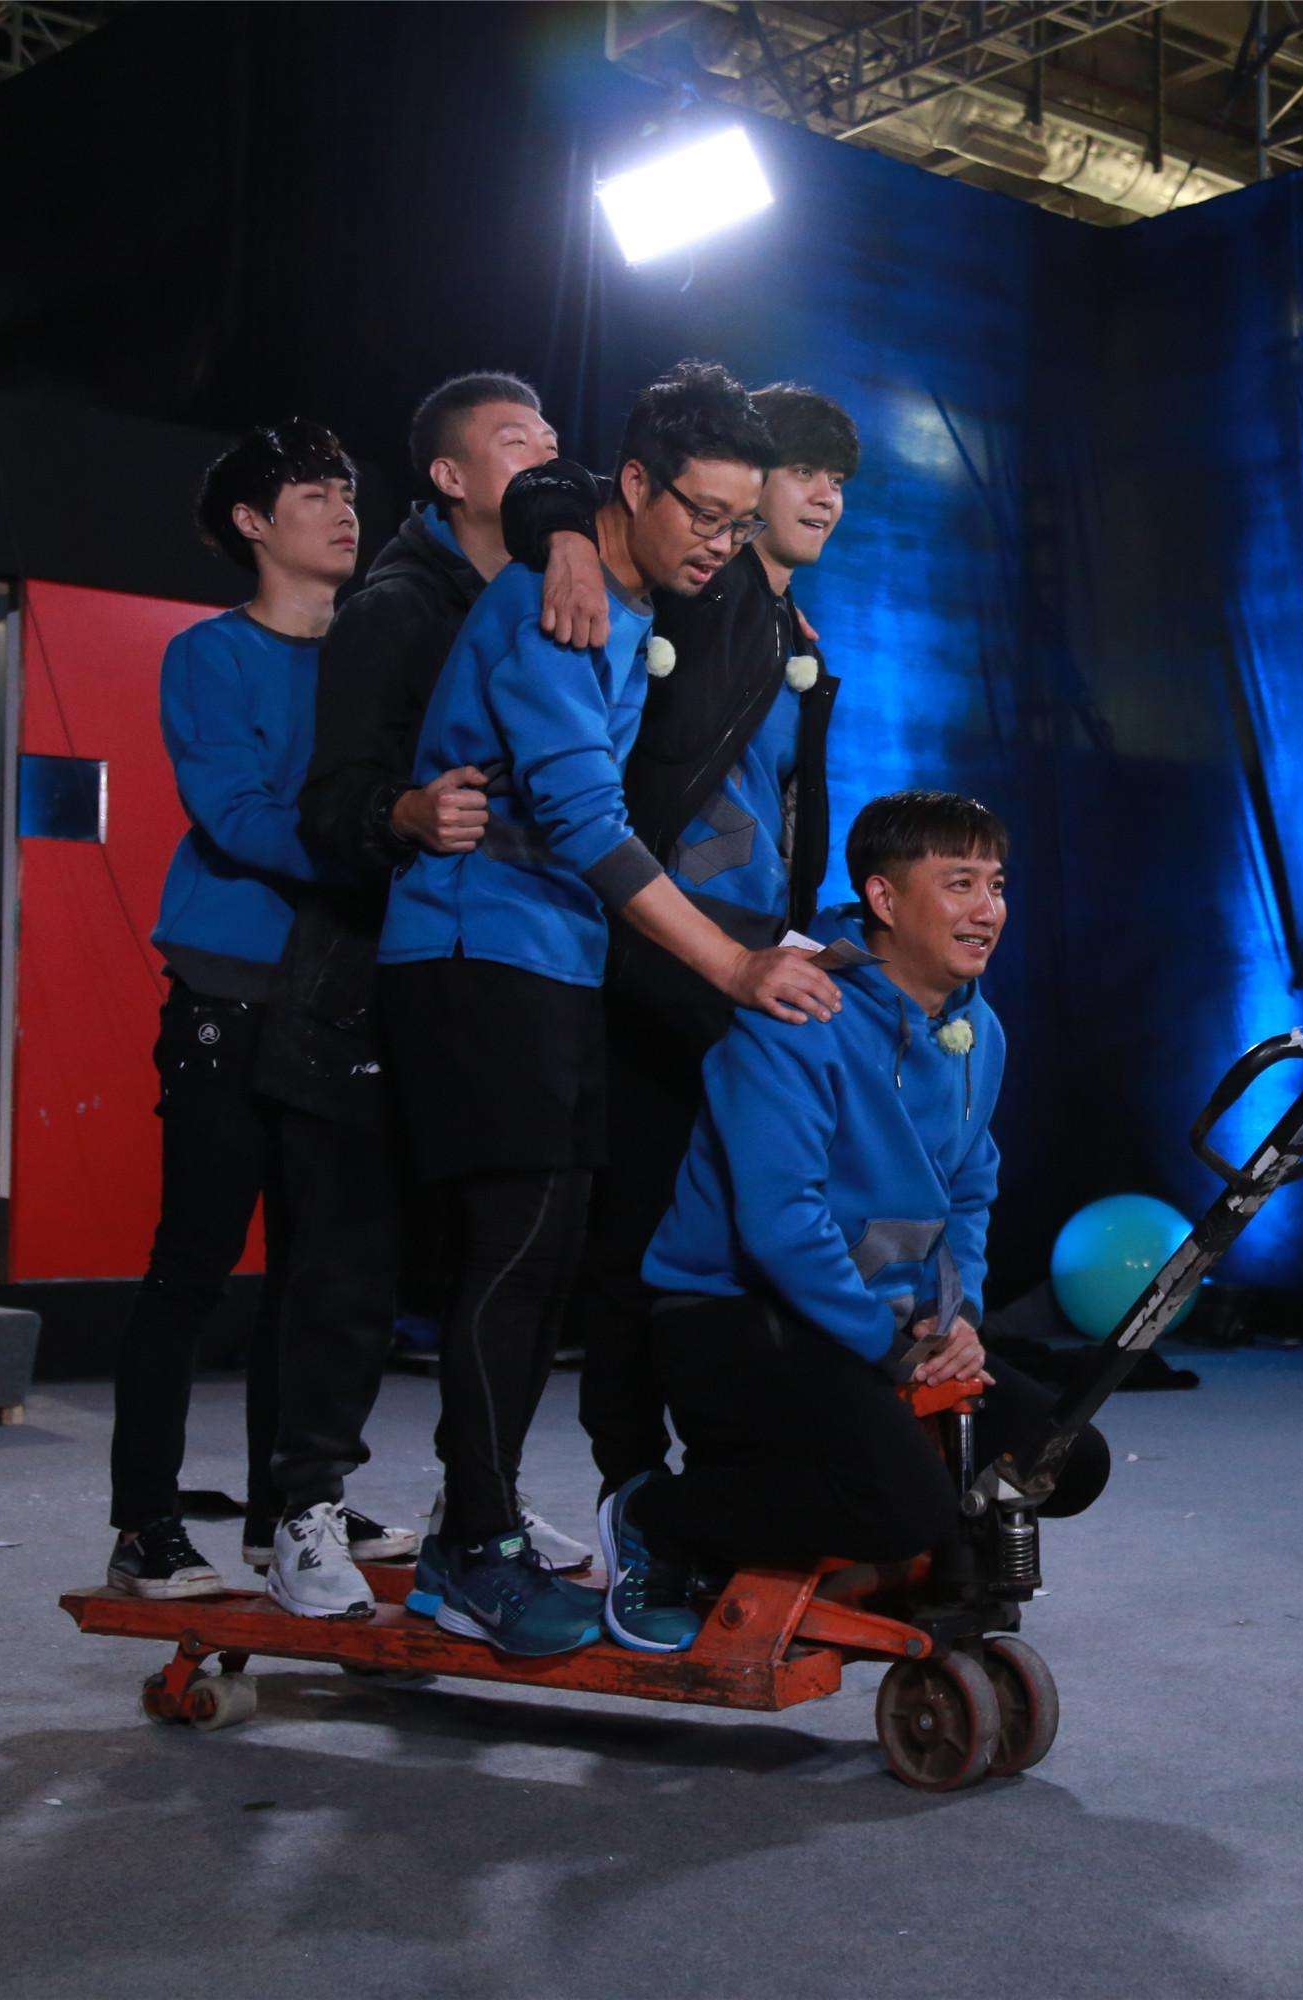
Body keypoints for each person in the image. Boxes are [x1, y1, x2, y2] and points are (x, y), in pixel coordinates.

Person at [376, 360, 843, 1658]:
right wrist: (734, 967)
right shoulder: (557, 604)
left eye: (738, 522)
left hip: (553, 955)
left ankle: (479, 1530)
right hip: (475, 944)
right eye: (702, 512)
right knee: (515, 1255)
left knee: (546, 1257)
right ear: (635, 485)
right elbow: (584, 819)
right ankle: (472, 1546)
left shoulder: (626, 597)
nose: (719, 543)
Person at [600, 791, 1111, 1653]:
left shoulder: (978, 1030)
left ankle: (873, 1515)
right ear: (884, 898)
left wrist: (956, 1318)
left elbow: (969, 1192)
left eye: (996, 884)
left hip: (879, 1324)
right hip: (734, 1318)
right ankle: (657, 1514)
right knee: (901, 1511)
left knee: (1068, 1460)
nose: (988, 910)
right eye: (959, 883)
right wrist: (886, 1345)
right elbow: (782, 1226)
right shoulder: (797, 1012)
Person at [278, 371, 609, 1573]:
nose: (546, 454)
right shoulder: (396, 608)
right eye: (515, 440)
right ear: (451, 476)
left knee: (502, 1251)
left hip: (502, 964)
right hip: (373, 973)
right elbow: (327, 805)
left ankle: (482, 1501)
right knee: (354, 1258)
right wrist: (405, 811)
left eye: (552, 436)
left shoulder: (552, 589)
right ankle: (302, 1512)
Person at [105, 419, 416, 1615]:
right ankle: (144, 1523)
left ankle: (294, 1509)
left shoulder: (375, 648)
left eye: (348, 489)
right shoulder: (210, 653)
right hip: (233, 990)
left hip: (343, 993)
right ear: (252, 522)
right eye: (313, 492)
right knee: (192, 1263)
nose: (344, 509)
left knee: (317, 1269)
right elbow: (234, 813)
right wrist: (383, 842)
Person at [576, 382, 859, 1501]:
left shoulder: (785, 623)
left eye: (839, 479)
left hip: (748, 952)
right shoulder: (703, 593)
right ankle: (634, 1484)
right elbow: (579, 497)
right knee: (642, 1222)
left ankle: (717, 1477)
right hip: (666, 949)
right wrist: (565, 537)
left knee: (727, 1221)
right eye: (804, 472)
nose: (825, 496)